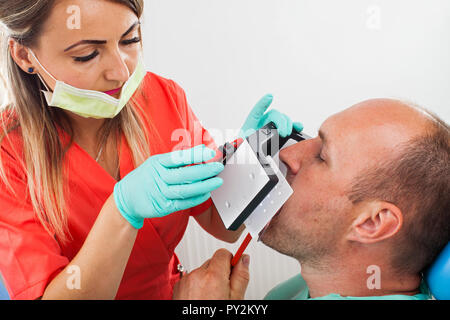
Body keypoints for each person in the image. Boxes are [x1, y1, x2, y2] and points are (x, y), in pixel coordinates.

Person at [0, 0, 302, 300]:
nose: (120, 72)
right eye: (86, 55)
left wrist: (254, 158)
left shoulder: (163, 98)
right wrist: (120, 213)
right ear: (25, 55)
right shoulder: (8, 153)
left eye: (130, 39)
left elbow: (222, 224)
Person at [173, 98, 450, 300]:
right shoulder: (297, 290)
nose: (286, 154)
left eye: (321, 156)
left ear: (372, 223)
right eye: (311, 138)